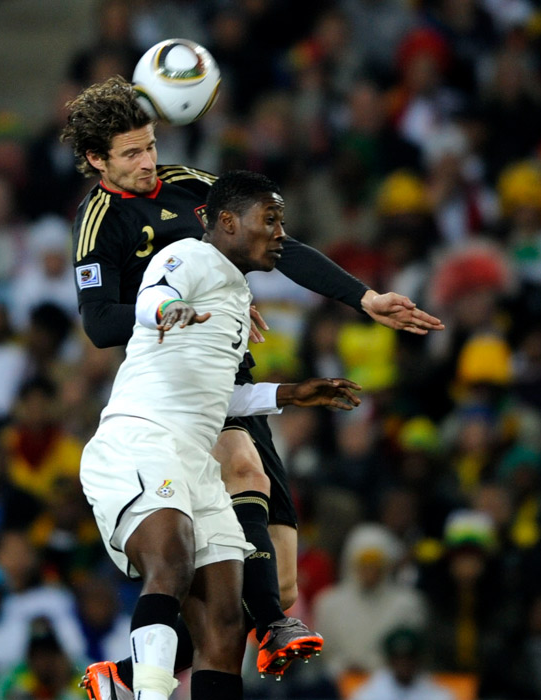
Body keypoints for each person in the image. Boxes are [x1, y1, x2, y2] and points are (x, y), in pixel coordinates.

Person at [60, 76, 444, 695]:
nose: (147, 161)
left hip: (228, 374)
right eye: (130, 153)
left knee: (271, 585)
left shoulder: (191, 186)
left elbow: (270, 240)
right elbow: (101, 323)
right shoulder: (101, 220)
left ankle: (130, 672)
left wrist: (364, 298)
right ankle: (261, 629)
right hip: (175, 381)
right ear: (96, 160)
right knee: (239, 473)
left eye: (150, 145)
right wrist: (187, 306)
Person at [79, 169, 363, 700]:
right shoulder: (187, 255)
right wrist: (169, 308)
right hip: (143, 440)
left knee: (225, 623)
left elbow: (216, 397)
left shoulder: (235, 295)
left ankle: (123, 678)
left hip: (196, 462)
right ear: (228, 222)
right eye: (270, 220)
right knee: (172, 559)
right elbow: (153, 297)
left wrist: (290, 394)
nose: (280, 234)